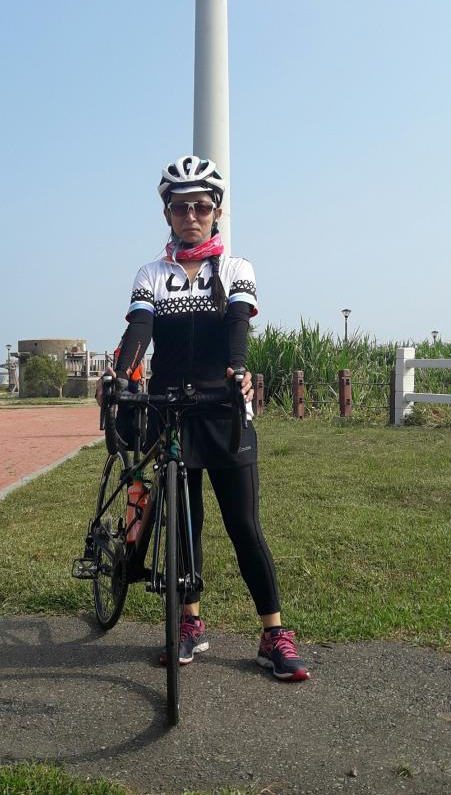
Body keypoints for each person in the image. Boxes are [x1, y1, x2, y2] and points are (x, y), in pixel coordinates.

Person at [101, 154, 309, 681]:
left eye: (200, 206)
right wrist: (122, 375)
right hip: (171, 412)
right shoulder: (152, 274)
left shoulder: (237, 269)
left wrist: (238, 370)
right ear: (167, 214)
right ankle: (190, 622)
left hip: (223, 410)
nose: (190, 216)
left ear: (216, 210)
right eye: (180, 208)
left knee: (244, 526)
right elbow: (140, 330)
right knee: (185, 523)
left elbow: (238, 327)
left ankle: (274, 635)